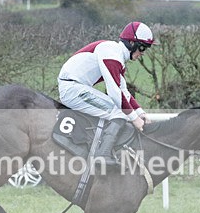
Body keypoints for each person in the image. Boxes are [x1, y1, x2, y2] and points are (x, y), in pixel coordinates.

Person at [57, 21, 154, 165]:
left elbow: (123, 91)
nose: (143, 52)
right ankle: (102, 154)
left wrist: (140, 113)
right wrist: (134, 118)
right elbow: (114, 93)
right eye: (142, 47)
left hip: (75, 87)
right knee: (119, 111)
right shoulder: (112, 54)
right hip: (72, 89)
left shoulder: (115, 54)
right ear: (132, 43)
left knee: (122, 110)